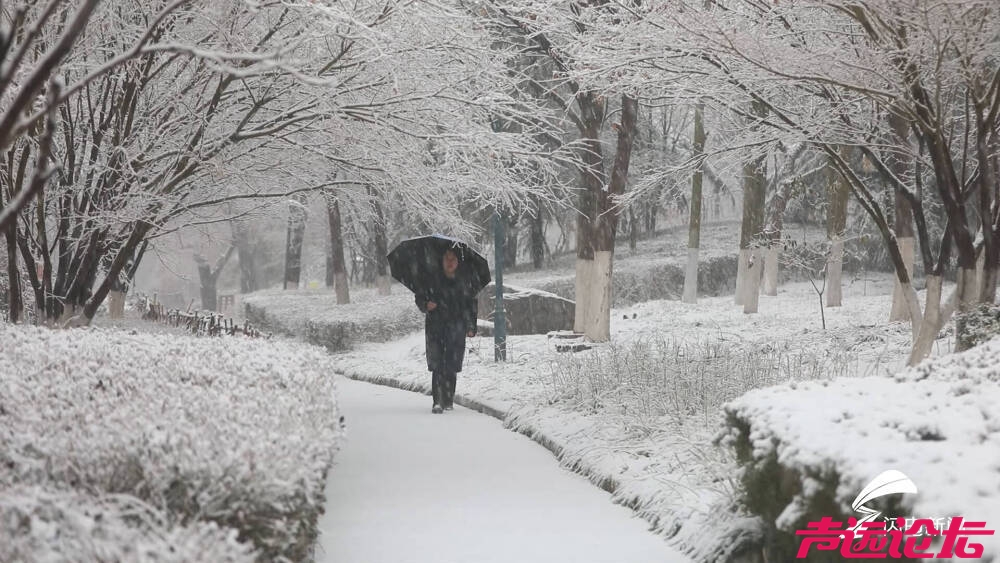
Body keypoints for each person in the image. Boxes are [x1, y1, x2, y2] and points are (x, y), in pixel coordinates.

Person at [414, 248, 478, 414]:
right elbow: (420, 296)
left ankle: (448, 399)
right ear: (442, 261)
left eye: (453, 259)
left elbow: (471, 305)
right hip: (436, 327)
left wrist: (471, 326)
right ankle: (437, 401)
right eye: (447, 258)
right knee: (437, 363)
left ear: (457, 262)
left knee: (451, 363)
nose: (450, 262)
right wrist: (426, 304)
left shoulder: (464, 281)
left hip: (456, 328)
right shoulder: (432, 279)